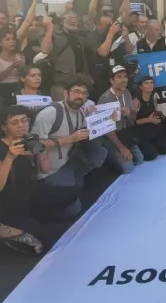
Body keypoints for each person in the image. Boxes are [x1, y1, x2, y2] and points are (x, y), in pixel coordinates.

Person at [31, 76, 108, 215]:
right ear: (66, 93)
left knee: (100, 152)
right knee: (73, 209)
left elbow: (91, 131)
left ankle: (73, 180)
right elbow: (35, 144)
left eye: (84, 93)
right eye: (76, 91)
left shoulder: (80, 113)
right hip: (51, 168)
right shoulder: (50, 113)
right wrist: (70, 139)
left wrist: (109, 117)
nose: (80, 96)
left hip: (68, 159)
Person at [0, 106, 46, 256]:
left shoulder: (28, 141)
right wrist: (10, 157)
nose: (21, 125)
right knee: (40, 243)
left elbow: (45, 169)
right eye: (14, 122)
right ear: (4, 127)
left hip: (26, 198)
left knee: (68, 208)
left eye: (24, 121)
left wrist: (39, 148)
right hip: (4, 206)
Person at [97, 66, 143, 173]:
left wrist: (130, 114)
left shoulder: (126, 93)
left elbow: (132, 122)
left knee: (140, 160)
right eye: (119, 77)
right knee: (128, 168)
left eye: (125, 76)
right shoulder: (105, 99)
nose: (123, 80)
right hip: (111, 137)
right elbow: (107, 130)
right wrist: (122, 148)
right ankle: (109, 157)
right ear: (111, 80)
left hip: (125, 133)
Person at [44, 11, 89, 94]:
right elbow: (45, 49)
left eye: (75, 18)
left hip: (80, 85)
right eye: (70, 18)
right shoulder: (55, 35)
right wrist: (49, 29)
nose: (73, 21)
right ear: (62, 21)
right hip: (61, 85)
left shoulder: (81, 39)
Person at [131, 76, 166, 161]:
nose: (149, 85)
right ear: (141, 87)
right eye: (146, 83)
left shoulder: (153, 99)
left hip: (153, 130)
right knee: (151, 155)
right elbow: (132, 122)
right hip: (141, 133)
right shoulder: (136, 102)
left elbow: (154, 114)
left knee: (165, 150)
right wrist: (147, 120)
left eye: (151, 83)